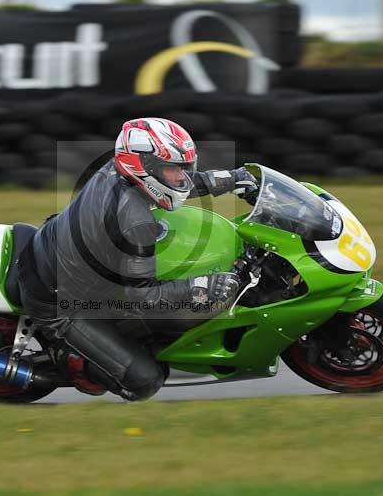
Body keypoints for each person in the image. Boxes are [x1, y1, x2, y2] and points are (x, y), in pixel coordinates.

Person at [16, 118, 258, 401]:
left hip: (61, 253)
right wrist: (203, 286)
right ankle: (71, 360)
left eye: (182, 168)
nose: (180, 176)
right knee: (146, 381)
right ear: (145, 167)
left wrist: (232, 178)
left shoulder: (121, 169)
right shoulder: (134, 221)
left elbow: (175, 182)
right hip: (58, 300)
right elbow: (141, 298)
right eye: (173, 168)